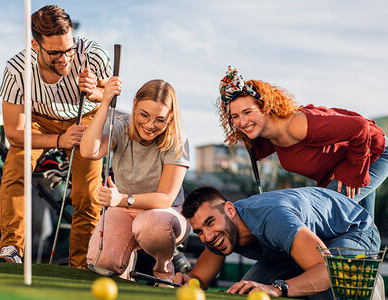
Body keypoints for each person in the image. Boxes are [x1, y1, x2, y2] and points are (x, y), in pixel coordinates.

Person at [0, 5, 112, 268]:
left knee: (88, 193)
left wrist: (95, 93)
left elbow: (110, 97)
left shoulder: (94, 54)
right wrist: (59, 140)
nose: (65, 59)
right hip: (38, 120)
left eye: (68, 50)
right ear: (35, 45)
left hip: (86, 119)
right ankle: (11, 248)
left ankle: (82, 262)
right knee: (15, 166)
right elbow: (14, 133)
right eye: (55, 53)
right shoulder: (17, 70)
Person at [217, 66, 388, 219]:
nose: (242, 121)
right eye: (235, 117)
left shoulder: (296, 126)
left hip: (373, 152)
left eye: (247, 112)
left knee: (323, 211)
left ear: (266, 107)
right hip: (347, 161)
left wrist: (353, 170)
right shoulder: (268, 135)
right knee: (361, 223)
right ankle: (367, 254)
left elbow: (360, 127)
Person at [173, 186, 382, 299]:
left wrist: (279, 288)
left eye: (210, 223)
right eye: (199, 231)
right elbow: (198, 278)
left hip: (352, 229)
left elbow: (326, 270)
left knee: (330, 289)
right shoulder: (220, 233)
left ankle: (371, 287)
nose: (208, 237)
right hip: (294, 247)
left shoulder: (274, 219)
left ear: (229, 210)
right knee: (244, 294)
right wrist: (186, 280)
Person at [81, 77, 191, 281]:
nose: (150, 125)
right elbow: (89, 150)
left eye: (160, 119)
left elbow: (165, 198)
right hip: (124, 210)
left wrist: (122, 199)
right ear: (134, 105)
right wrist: (105, 102)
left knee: (151, 225)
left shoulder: (177, 140)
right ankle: (124, 266)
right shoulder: (120, 126)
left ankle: (163, 272)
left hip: (166, 214)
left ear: (170, 117)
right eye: (144, 115)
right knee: (102, 263)